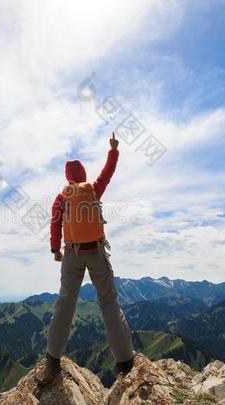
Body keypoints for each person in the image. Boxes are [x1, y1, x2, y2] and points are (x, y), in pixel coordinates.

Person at [36, 133, 136, 385]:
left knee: (65, 305)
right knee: (109, 303)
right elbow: (108, 172)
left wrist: (55, 250)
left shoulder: (62, 198)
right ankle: (125, 362)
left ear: (68, 177)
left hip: (72, 253)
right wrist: (113, 150)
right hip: (97, 252)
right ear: (82, 173)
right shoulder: (93, 189)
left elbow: (55, 224)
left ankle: (52, 360)